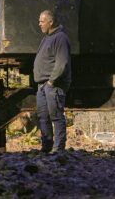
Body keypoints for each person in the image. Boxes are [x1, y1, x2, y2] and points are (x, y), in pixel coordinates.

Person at [33, 9, 71, 154]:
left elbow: (62, 63)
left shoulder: (60, 38)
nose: (39, 24)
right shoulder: (46, 38)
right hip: (42, 85)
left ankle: (58, 148)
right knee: (43, 117)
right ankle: (46, 146)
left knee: (56, 116)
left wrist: (51, 81)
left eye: (42, 21)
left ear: (51, 22)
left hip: (53, 85)